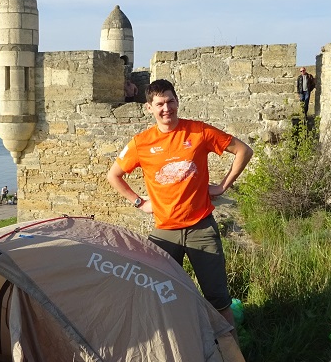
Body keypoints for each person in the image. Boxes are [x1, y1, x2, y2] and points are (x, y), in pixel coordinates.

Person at [107, 79, 253, 327]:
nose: (167, 108)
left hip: (201, 228)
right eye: (160, 104)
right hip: (165, 233)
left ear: (177, 101)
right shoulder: (141, 142)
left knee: (218, 299)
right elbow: (114, 175)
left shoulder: (198, 131)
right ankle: (180, 341)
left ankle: (230, 350)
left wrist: (222, 186)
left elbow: (244, 151)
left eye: (170, 101)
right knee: (159, 297)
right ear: (149, 108)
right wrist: (139, 202)